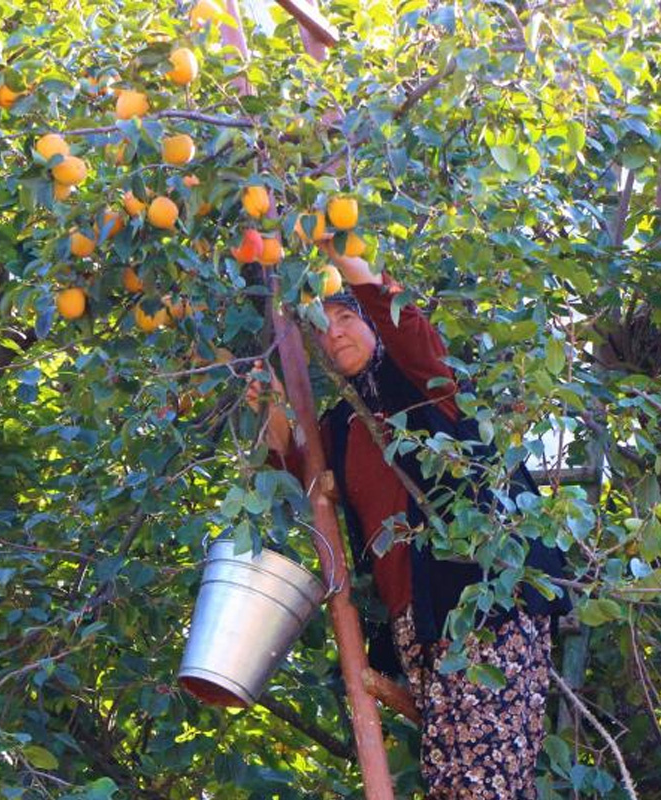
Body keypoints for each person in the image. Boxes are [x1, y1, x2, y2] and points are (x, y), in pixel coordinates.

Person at [245, 243, 571, 799]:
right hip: (417, 621)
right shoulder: (345, 423)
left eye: (345, 318)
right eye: (322, 327)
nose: (333, 334)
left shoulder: (423, 381)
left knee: (484, 780)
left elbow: (402, 319)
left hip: (485, 602)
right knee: (452, 779)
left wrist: (337, 242)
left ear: (373, 323)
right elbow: (299, 471)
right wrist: (270, 405)